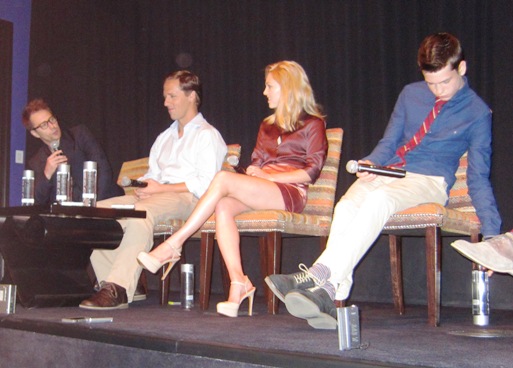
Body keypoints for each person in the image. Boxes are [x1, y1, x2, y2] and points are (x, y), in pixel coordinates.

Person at [265, 32, 502, 330]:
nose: (438, 90)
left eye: (445, 82)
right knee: (347, 205)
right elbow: (389, 142)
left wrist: (492, 236)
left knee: (380, 201)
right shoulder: (410, 94)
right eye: (431, 83)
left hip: (428, 181)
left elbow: (479, 176)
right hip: (390, 172)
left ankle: (317, 273)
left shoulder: (477, 113)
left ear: (462, 68)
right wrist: (372, 163)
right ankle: (329, 294)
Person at [137, 60, 328, 318]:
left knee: (222, 179)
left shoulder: (312, 124)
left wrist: (269, 176)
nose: (264, 92)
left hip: (291, 192)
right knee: (223, 205)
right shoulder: (267, 126)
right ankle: (239, 283)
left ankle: (174, 244)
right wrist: (253, 172)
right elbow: (258, 162)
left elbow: (311, 171)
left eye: (269, 86)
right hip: (263, 188)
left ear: (288, 88)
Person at [80, 70, 227, 310]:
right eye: (165, 96)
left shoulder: (207, 135)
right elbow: (154, 175)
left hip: (191, 200)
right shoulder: (164, 137)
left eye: (172, 96)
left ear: (191, 96)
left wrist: (161, 189)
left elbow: (207, 185)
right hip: (161, 197)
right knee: (96, 213)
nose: (166, 102)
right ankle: (124, 284)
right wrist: (144, 185)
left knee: (141, 214)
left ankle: (117, 288)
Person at [21, 99, 124, 205]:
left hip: (103, 202)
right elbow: (37, 202)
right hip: (68, 215)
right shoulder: (37, 162)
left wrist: (92, 206)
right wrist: (46, 174)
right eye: (44, 125)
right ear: (35, 133)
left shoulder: (79, 135)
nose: (53, 126)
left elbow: (103, 169)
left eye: (52, 119)